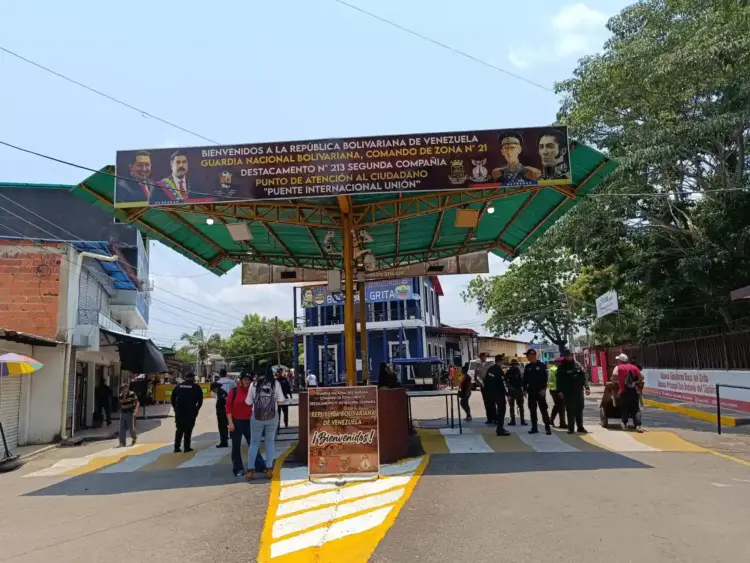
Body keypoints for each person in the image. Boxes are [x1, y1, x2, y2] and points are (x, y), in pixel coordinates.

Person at [245, 366, 287, 480]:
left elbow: (248, 402)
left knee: (254, 443)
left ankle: (250, 471)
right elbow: (281, 400)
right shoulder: (275, 383)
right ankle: (269, 470)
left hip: (256, 416)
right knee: (270, 442)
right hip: (272, 416)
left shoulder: (253, 384)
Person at [226, 372, 265, 477]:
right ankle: (238, 468)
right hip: (236, 422)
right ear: (241, 380)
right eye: (244, 379)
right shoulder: (233, 391)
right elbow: (228, 408)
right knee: (236, 446)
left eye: (248, 380)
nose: (246, 381)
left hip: (250, 422)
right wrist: (230, 423)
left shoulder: (253, 391)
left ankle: (260, 465)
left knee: (253, 444)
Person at [557, 350, 590, 434]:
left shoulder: (578, 365)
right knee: (570, 410)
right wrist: (560, 391)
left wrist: (587, 387)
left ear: (572, 355)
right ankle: (571, 428)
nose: (568, 357)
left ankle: (580, 426)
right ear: (564, 356)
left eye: (570, 355)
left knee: (579, 409)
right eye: (566, 356)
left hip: (578, 390)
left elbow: (584, 377)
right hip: (568, 392)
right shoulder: (562, 367)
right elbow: (559, 380)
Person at [170, 372, 204, 453]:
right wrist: (197, 409)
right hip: (191, 410)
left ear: (185, 377)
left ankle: (176, 447)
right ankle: (186, 447)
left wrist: (175, 407)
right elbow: (200, 400)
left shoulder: (178, 386)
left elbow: (172, 398)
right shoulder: (196, 387)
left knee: (179, 429)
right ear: (193, 378)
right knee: (188, 429)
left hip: (180, 411)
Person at [522, 349, 552, 435]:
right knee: (532, 410)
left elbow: (545, 378)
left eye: (528, 355)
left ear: (532, 355)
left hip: (540, 392)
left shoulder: (541, 366)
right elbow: (525, 379)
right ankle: (534, 427)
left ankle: (547, 427)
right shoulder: (527, 367)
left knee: (543, 410)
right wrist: (524, 389)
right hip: (531, 392)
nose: (527, 357)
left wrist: (543, 389)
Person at [613, 353, 644, 432]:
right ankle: (638, 425)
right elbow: (641, 377)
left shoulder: (618, 367)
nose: (618, 361)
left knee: (625, 408)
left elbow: (614, 375)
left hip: (624, 391)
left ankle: (624, 423)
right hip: (634, 391)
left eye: (618, 360)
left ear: (620, 361)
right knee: (636, 409)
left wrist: (615, 380)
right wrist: (638, 382)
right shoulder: (634, 367)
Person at [485, 354, 510, 436]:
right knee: (501, 410)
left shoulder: (490, 369)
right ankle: (500, 428)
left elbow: (486, 381)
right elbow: (504, 383)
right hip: (499, 394)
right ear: (501, 361)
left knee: (494, 410)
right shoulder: (499, 370)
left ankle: (497, 425)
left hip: (490, 394)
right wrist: (508, 394)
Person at [473, 352, 495, 425]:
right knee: (486, 402)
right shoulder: (477, 365)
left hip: (491, 384)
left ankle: (495, 418)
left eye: (485, 356)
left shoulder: (490, 364)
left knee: (492, 402)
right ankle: (489, 418)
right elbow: (475, 378)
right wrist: (480, 384)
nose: (484, 357)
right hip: (483, 384)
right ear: (480, 357)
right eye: (482, 356)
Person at [504, 359, 526, 426]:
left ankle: (522, 420)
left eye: (515, 364)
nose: (514, 365)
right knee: (511, 407)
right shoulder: (508, 372)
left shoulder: (520, 371)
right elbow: (505, 381)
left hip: (519, 391)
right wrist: (509, 387)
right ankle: (513, 420)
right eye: (512, 364)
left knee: (521, 407)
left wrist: (524, 390)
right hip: (511, 392)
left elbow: (523, 381)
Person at [548, 358, 567, 429]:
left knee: (557, 405)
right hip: (557, 390)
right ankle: (562, 423)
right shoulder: (557, 370)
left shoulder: (552, 368)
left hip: (553, 389)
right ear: (558, 363)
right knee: (561, 406)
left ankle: (551, 420)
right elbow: (560, 381)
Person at [210, 381, 229, 448]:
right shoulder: (220, 392)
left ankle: (224, 442)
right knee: (223, 427)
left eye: (213, 390)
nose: (213, 391)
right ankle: (224, 441)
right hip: (221, 412)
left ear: (215, 388)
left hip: (222, 412)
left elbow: (225, 402)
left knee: (222, 427)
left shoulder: (221, 393)